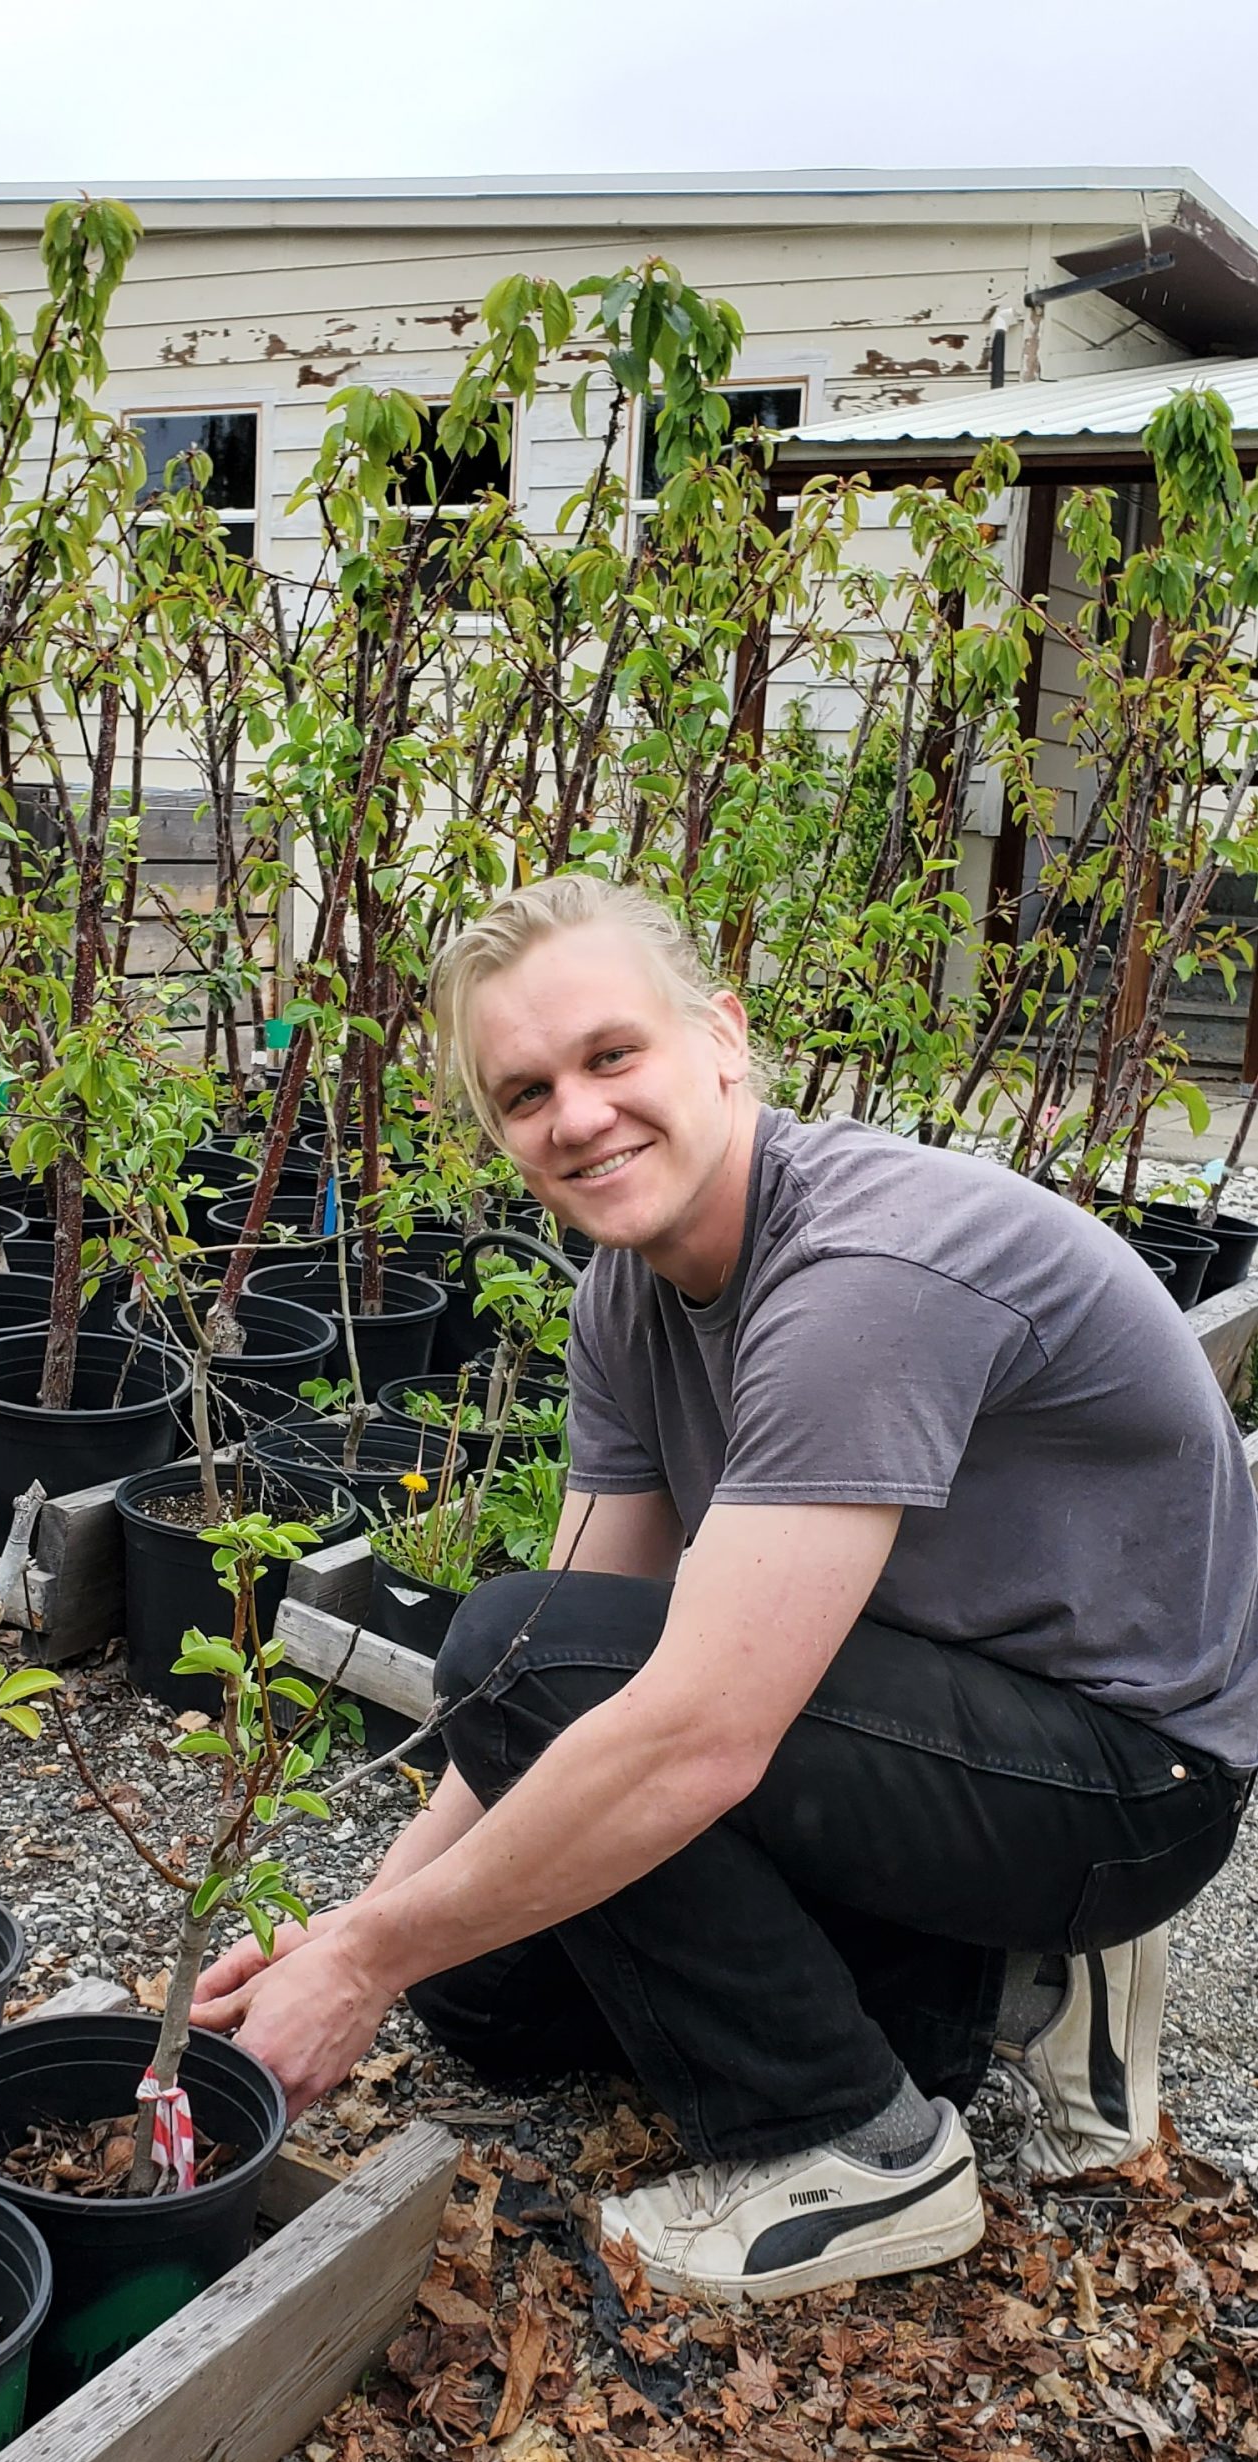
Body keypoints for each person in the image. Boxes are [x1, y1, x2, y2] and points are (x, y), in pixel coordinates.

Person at [191, 875, 1258, 2305]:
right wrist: (353, 1941)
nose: (577, 1116)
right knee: (478, 1993)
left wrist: (360, 1960)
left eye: (611, 1055)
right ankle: (1007, 1988)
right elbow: (550, 1671)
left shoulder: (860, 1272)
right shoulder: (624, 1299)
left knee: (524, 1717)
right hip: (925, 1717)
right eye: (524, 1093)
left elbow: (680, 1727)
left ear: (724, 1039)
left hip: (1125, 1778)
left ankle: (861, 2151)